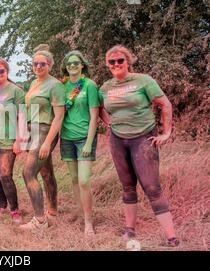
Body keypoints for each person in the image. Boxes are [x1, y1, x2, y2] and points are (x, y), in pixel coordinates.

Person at [99, 45, 179, 246]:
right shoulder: (105, 87)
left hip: (143, 138)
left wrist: (166, 132)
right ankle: (130, 230)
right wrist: (109, 123)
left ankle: (171, 237)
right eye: (112, 61)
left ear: (128, 62)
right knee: (127, 187)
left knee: (152, 188)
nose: (116, 64)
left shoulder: (143, 80)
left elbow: (165, 104)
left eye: (120, 60)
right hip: (118, 140)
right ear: (107, 64)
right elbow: (100, 107)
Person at [20, 44, 66, 229]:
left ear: (50, 65)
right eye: (35, 64)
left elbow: (59, 116)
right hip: (33, 129)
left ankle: (39, 221)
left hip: (45, 130)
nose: (38, 67)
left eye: (42, 64)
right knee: (46, 172)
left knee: (28, 173)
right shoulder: (34, 83)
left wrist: (47, 142)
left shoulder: (55, 85)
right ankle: (52, 211)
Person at [59, 50, 100, 234]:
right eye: (69, 63)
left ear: (82, 65)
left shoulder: (90, 85)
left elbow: (94, 116)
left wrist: (89, 143)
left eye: (76, 63)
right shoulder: (62, 86)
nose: (72, 66)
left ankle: (89, 222)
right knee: (75, 180)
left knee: (84, 180)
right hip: (67, 138)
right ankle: (80, 213)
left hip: (84, 138)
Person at [0, 59, 26, 223]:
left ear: (7, 71)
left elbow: (21, 116)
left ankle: (15, 209)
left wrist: (19, 140)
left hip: (8, 141)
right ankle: (2, 206)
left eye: (1, 71)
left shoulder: (16, 91)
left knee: (5, 175)